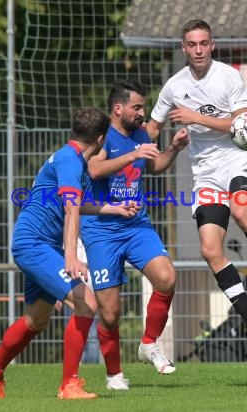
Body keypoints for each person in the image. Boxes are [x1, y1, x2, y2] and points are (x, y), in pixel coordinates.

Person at [145, 19, 247, 359]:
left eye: (203, 43)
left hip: (237, 162)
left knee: (241, 211)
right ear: (184, 48)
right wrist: (134, 146)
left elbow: (242, 124)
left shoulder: (228, 77)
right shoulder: (173, 87)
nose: (198, 50)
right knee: (210, 249)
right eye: (192, 44)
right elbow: (152, 127)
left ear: (212, 45)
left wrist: (196, 118)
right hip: (205, 174)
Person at [0, 107, 139, 400]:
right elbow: (71, 210)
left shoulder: (70, 160)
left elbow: (76, 204)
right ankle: (69, 385)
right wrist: (71, 257)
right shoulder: (69, 162)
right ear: (101, 139)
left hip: (41, 244)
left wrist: (114, 208)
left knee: (37, 319)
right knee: (86, 302)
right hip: (35, 244)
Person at [80, 79, 189, 390]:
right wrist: (132, 154)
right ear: (118, 109)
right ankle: (115, 375)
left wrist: (173, 149)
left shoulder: (141, 135)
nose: (143, 113)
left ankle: (149, 343)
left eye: (144, 107)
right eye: (137, 107)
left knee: (167, 277)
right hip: (101, 231)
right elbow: (95, 171)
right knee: (111, 313)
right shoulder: (102, 135)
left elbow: (154, 166)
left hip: (136, 225)